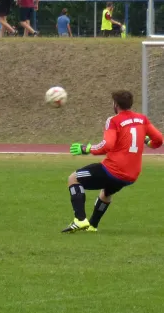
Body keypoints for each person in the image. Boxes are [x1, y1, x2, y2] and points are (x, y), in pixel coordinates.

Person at [62, 90, 163, 233]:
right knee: (106, 193)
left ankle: (80, 219)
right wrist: (148, 142)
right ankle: (92, 226)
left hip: (113, 170)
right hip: (131, 175)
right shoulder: (142, 119)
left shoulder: (114, 120)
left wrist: (86, 148)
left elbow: (107, 145)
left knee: (73, 178)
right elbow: (159, 140)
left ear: (115, 104)